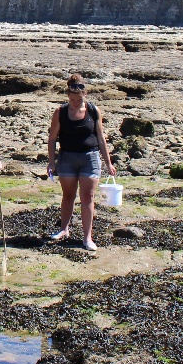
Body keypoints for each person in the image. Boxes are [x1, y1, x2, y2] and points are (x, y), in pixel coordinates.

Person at [46, 76, 116, 250]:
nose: (75, 103)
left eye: (79, 100)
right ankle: (64, 229)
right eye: (72, 100)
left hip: (89, 158)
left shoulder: (93, 110)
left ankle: (87, 238)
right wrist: (51, 162)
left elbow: (101, 139)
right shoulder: (60, 112)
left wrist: (108, 163)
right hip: (67, 158)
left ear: (86, 95)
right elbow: (53, 138)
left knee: (87, 197)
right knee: (68, 196)